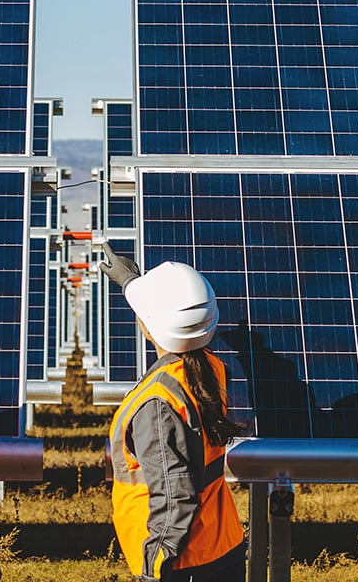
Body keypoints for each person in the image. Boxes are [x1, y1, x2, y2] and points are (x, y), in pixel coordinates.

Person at [97, 247, 246, 581]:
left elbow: (173, 497)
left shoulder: (157, 404)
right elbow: (179, 317)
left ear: (151, 325)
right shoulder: (211, 369)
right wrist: (130, 282)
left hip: (183, 562)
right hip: (222, 542)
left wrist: (154, 568)